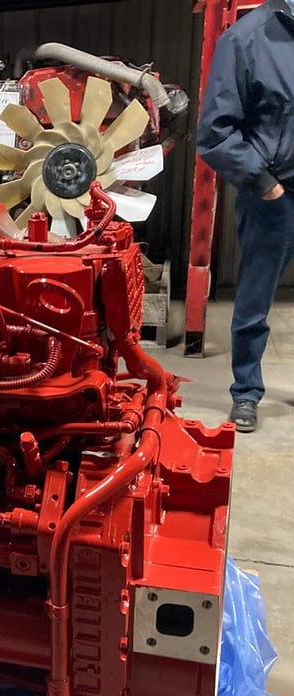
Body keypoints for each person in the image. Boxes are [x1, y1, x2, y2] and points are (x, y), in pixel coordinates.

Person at [195, 0, 294, 432]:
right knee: (255, 300)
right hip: (274, 193)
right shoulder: (246, 39)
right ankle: (247, 392)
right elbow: (215, 132)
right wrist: (264, 183)